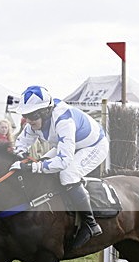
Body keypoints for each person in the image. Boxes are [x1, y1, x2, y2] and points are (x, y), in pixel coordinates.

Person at [11, 85, 109, 249]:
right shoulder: (34, 122)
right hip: (71, 145)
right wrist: (20, 156)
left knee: (67, 174)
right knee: (43, 164)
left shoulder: (63, 120)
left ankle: (90, 224)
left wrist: (33, 167)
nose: (28, 120)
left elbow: (63, 161)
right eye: (25, 115)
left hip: (93, 146)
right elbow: (21, 144)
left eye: (32, 115)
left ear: (45, 112)